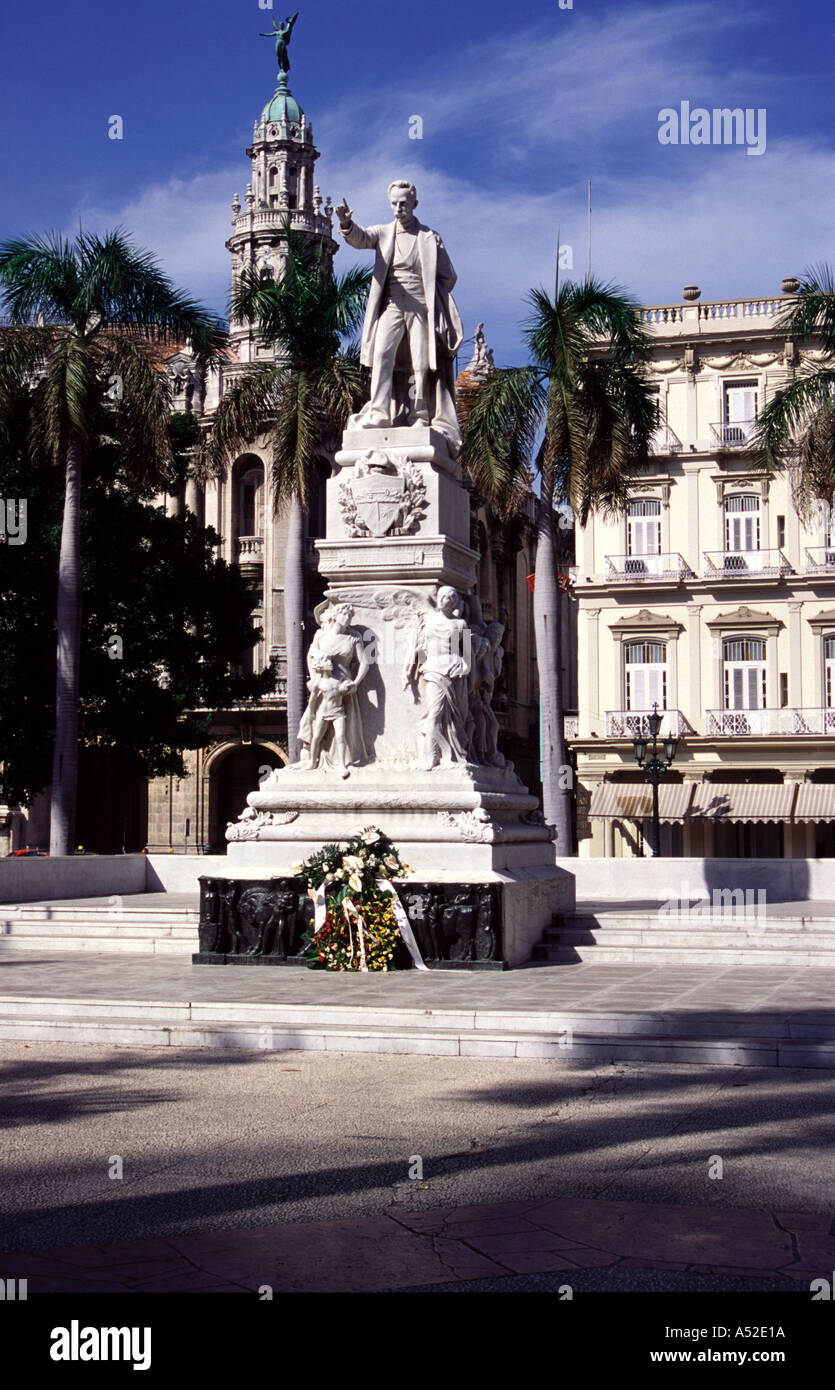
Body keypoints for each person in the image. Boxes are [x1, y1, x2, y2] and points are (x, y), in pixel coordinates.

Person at [334, 182, 463, 451]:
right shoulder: (383, 233)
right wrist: (347, 223)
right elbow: (360, 238)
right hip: (391, 304)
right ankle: (379, 412)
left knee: (421, 362)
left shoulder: (430, 237)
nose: (398, 208)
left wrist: (431, 295)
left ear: (414, 203)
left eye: (403, 203)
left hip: (420, 307)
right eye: (394, 203)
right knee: (382, 355)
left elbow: (448, 275)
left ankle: (420, 414)